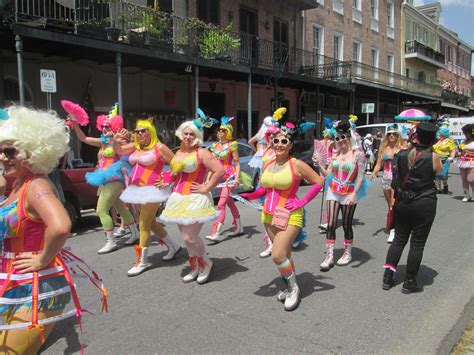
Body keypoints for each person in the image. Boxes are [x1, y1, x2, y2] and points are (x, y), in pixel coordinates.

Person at [0, 106, 106, 353]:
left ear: (32, 149)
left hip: (35, 284)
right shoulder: (14, 186)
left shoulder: (35, 185)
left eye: (10, 150)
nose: (4, 157)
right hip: (11, 280)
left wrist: (42, 259)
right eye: (1, 150)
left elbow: (61, 226)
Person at [241, 122, 323, 311]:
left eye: (284, 141)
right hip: (268, 215)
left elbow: (318, 182)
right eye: (275, 140)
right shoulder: (269, 163)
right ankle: (289, 284)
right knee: (285, 254)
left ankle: (294, 288)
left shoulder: (297, 164)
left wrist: (300, 202)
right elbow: (263, 188)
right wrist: (250, 194)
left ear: (290, 145)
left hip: (290, 214)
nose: (278, 144)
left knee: (277, 255)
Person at [159, 114, 225, 284]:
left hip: (196, 198)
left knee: (190, 237)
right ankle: (195, 266)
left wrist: (206, 187)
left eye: (192, 134)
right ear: (181, 134)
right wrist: (166, 181)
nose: (188, 137)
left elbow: (220, 171)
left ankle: (206, 263)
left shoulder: (202, 152)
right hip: (178, 198)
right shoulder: (178, 153)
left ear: (197, 136)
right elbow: (175, 175)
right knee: (185, 237)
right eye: (186, 133)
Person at [114, 118, 181, 276]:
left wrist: (167, 179)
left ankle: (142, 262)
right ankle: (174, 246)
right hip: (136, 190)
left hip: (152, 190)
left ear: (150, 132)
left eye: (143, 130)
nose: (139, 134)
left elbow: (177, 163)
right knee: (150, 223)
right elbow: (119, 151)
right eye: (137, 131)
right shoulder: (136, 147)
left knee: (143, 225)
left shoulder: (159, 147)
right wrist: (116, 141)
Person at [383, 122, 442, 293]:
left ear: (416, 136)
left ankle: (387, 277)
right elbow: (439, 173)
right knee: (417, 243)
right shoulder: (433, 157)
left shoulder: (401, 154)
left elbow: (395, 180)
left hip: (403, 202)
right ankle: (410, 282)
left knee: (399, 239)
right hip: (425, 203)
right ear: (432, 140)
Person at [72, 105, 138, 254]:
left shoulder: (119, 142)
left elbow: (131, 144)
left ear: (114, 128)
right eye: (102, 127)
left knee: (101, 210)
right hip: (104, 179)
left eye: (108, 127)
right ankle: (135, 233)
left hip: (114, 179)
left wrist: (126, 137)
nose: (104, 129)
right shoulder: (102, 142)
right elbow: (83, 138)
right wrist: (75, 124)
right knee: (121, 207)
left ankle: (111, 241)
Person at [316, 119, 370, 271]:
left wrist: (354, 194)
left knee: (346, 225)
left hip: (348, 193)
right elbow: (328, 174)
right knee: (331, 224)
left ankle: (347, 253)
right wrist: (319, 164)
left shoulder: (358, 154)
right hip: (333, 191)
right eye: (337, 138)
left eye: (343, 137)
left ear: (349, 137)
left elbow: (360, 177)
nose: (340, 141)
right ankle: (329, 256)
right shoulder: (335, 154)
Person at [205, 116, 244, 242]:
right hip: (218, 175)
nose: (220, 132)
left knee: (221, 204)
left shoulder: (232, 145)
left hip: (230, 176)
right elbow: (213, 166)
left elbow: (237, 163)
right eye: (219, 130)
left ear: (229, 133)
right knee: (229, 202)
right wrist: (208, 179)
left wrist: (237, 178)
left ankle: (215, 233)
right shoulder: (214, 146)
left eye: (223, 130)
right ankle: (239, 227)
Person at [371, 124, 405, 243]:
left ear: (397, 136)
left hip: (397, 178)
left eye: (394, 134)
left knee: (393, 203)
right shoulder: (383, 148)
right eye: (389, 134)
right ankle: (395, 223)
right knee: (389, 204)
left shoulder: (402, 147)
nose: (391, 136)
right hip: (386, 178)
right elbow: (378, 164)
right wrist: (374, 173)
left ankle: (393, 230)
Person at [433, 125, 456, 194]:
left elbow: (453, 150)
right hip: (436, 159)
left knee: (444, 174)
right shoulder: (437, 141)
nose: (438, 134)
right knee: (436, 174)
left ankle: (445, 186)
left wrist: (451, 157)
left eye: (440, 133)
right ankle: (438, 188)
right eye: (438, 133)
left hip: (445, 159)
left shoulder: (449, 141)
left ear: (443, 134)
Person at [456, 123, 474, 202]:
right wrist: (459, 151)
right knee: (464, 179)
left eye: (466, 133)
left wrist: (470, 152)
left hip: (472, 161)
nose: (465, 134)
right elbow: (459, 150)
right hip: (463, 161)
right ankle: (466, 195)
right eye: (464, 133)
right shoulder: (464, 141)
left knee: (470, 179)